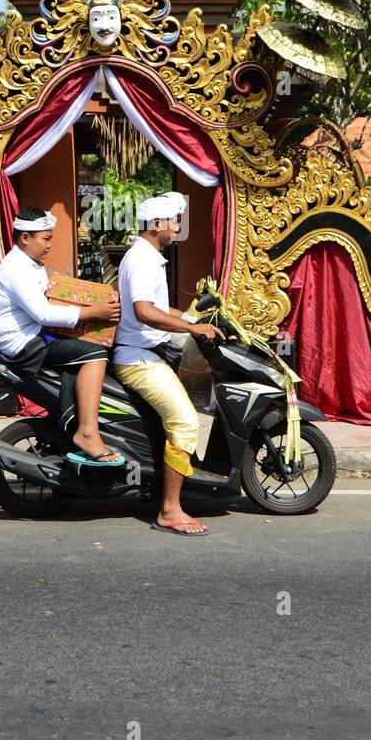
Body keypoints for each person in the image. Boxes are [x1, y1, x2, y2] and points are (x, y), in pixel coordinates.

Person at [112, 192, 223, 535]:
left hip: (148, 353)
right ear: (157, 224)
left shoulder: (147, 256)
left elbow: (157, 309)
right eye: (174, 222)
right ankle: (169, 510)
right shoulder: (142, 260)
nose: (177, 228)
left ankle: (158, 487)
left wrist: (193, 318)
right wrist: (191, 328)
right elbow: (145, 312)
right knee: (186, 422)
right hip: (139, 359)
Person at [0, 205, 124, 466]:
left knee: (86, 348)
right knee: (95, 353)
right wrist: (93, 312)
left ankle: (74, 418)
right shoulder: (16, 269)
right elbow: (44, 314)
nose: (50, 245)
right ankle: (87, 432)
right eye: (46, 239)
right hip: (25, 346)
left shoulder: (30, 264)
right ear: (25, 238)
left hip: (36, 337)